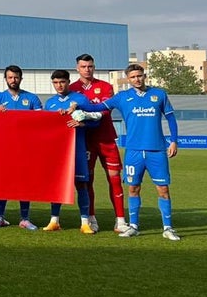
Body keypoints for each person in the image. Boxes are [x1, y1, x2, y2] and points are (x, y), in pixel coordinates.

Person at [73, 63, 181, 241]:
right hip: (133, 151)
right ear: (128, 79)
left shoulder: (159, 94)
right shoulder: (122, 97)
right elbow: (97, 108)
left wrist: (174, 141)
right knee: (133, 188)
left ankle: (168, 228)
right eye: (133, 77)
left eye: (139, 76)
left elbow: (170, 118)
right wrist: (77, 105)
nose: (137, 79)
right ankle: (134, 226)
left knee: (163, 190)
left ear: (144, 76)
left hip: (157, 150)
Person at [69, 53, 127, 233]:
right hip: (85, 142)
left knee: (115, 179)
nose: (87, 70)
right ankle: (91, 218)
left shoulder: (105, 86)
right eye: (83, 67)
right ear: (77, 68)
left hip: (107, 139)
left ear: (94, 67)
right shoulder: (71, 89)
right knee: (87, 182)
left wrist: (84, 115)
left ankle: (120, 220)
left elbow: (105, 112)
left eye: (90, 66)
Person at [41, 70, 94, 233]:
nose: (59, 85)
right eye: (56, 82)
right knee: (57, 184)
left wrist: (82, 124)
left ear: (68, 82)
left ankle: (85, 222)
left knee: (81, 184)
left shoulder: (80, 99)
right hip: (58, 151)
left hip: (77, 149)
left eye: (62, 82)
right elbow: (45, 127)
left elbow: (96, 120)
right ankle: (54, 220)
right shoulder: (50, 103)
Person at [0, 65, 42, 230]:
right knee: (1, 182)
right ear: (5, 79)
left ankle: (25, 218)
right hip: (3, 148)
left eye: (16, 77)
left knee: (24, 183)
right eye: (10, 77)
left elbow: (42, 121)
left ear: (21, 78)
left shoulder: (32, 98)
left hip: (25, 149)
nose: (13, 80)